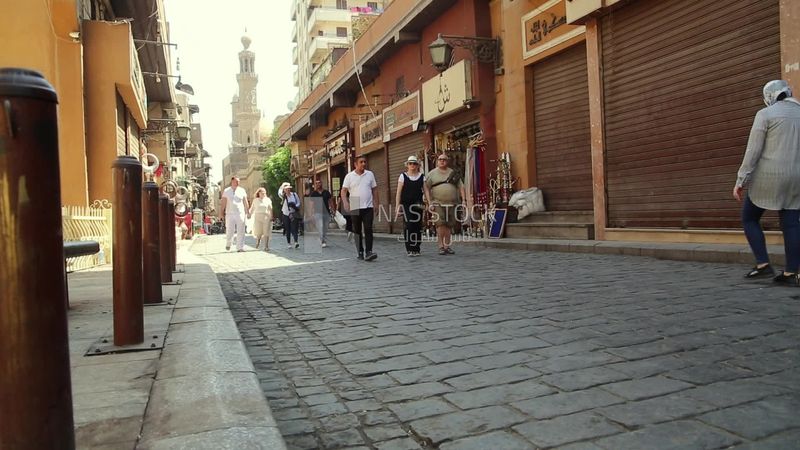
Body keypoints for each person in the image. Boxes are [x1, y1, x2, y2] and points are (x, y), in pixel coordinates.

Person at [734, 79, 800, 285]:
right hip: (797, 176)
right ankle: (791, 273)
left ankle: (763, 265)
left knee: (749, 217)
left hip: (769, 177)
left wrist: (741, 180)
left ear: (769, 97)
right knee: (790, 223)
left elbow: (753, 150)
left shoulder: (765, 114)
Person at [425, 153, 466, 255]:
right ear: (437, 161)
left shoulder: (452, 173)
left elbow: (461, 186)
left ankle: (447, 246)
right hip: (437, 203)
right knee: (440, 224)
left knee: (449, 225)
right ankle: (441, 246)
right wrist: (429, 202)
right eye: (440, 159)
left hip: (452, 203)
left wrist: (464, 200)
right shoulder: (432, 174)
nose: (442, 161)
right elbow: (426, 188)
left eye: (444, 159)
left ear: (447, 161)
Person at [341, 155, 379, 261]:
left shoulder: (370, 174)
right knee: (357, 230)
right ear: (355, 164)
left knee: (368, 228)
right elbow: (343, 191)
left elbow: (375, 190)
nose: (363, 164)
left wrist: (376, 204)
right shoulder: (349, 176)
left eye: (365, 162)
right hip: (355, 204)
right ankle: (360, 251)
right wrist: (345, 203)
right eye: (361, 162)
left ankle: (369, 251)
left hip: (368, 205)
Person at [395, 155, 428, 256]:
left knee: (417, 226)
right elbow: (399, 192)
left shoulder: (422, 177)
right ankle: (409, 248)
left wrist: (430, 203)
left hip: (418, 204)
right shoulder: (403, 176)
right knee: (409, 225)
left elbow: (426, 190)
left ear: (417, 165)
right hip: (406, 204)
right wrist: (397, 206)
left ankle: (416, 248)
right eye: (410, 163)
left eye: (414, 163)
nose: (412, 165)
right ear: (407, 165)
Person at [219, 176, 249, 252]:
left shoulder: (242, 190)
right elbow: (223, 203)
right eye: (236, 181)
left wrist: (247, 211)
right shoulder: (226, 191)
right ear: (232, 182)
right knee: (230, 230)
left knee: (241, 230)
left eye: (238, 181)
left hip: (240, 213)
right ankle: (228, 243)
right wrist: (221, 213)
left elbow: (245, 202)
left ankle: (240, 247)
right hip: (229, 213)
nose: (237, 183)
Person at [309, 179, 334, 248]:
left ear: (321, 183)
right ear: (315, 185)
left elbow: (330, 201)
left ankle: (322, 238)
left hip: (326, 212)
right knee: (320, 226)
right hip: (317, 213)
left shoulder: (326, 192)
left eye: (319, 183)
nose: (318, 184)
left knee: (325, 227)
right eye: (316, 183)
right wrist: (311, 214)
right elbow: (311, 204)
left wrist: (333, 210)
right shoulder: (313, 193)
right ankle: (323, 241)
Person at [278, 182, 301, 249]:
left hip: (293, 213)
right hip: (286, 214)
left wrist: (295, 206)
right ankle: (289, 243)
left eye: (289, 189)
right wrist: (282, 185)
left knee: (294, 228)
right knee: (288, 228)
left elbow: (298, 202)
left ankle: (296, 242)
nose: (288, 190)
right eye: (286, 189)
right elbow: (279, 192)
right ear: (284, 190)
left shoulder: (294, 194)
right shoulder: (283, 196)